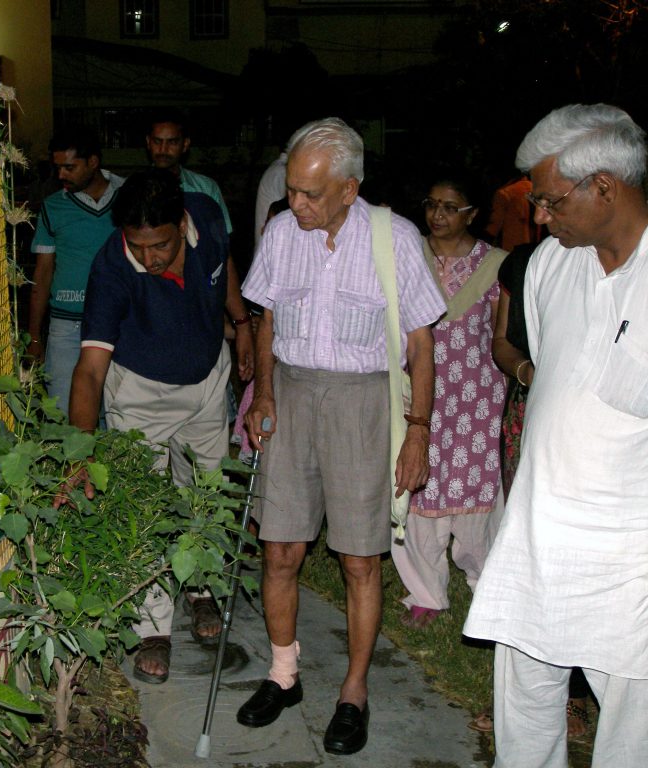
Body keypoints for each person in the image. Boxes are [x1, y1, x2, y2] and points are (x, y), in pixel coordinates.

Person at [237, 118, 446, 755]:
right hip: (292, 396)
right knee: (280, 551)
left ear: (350, 189)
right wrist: (264, 392)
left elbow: (421, 344)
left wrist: (417, 433)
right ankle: (283, 673)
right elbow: (266, 313)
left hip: (363, 405)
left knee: (359, 559)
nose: (295, 202)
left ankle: (353, 692)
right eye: (292, 189)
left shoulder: (396, 239)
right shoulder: (280, 231)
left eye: (310, 194)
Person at [464, 103, 648, 768]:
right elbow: (550, 377)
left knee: (633, 732)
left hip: (631, 557)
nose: (538, 216)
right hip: (538, 535)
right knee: (526, 715)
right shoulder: (547, 266)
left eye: (549, 200)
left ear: (605, 186)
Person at [67, 168, 254, 684]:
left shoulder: (209, 215)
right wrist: (80, 452)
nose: (149, 257)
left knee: (206, 494)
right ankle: (153, 627)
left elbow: (224, 263)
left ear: (182, 221)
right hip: (140, 394)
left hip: (207, 381)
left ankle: (201, 591)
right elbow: (88, 371)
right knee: (144, 507)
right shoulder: (111, 269)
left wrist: (241, 324)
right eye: (138, 245)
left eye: (161, 245)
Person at [391, 174, 507, 629]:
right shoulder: (408, 255)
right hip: (418, 391)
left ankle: (487, 583)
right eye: (432, 205)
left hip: (476, 396)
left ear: (472, 214)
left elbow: (501, 336)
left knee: (476, 487)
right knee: (421, 484)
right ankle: (425, 590)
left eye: (450, 207)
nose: (438, 216)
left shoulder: (495, 265)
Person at [27, 129, 124, 413]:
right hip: (65, 325)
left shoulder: (128, 197)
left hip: (116, 322)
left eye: (69, 167)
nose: (61, 175)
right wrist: (34, 337)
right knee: (61, 410)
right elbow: (43, 274)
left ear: (93, 162)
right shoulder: (53, 206)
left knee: (115, 411)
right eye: (58, 168)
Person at [146, 111, 233, 235]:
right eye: (157, 141)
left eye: (172, 142)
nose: (163, 150)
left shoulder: (206, 188)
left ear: (185, 144)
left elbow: (221, 240)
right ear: (148, 142)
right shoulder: (132, 189)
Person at [485, 175, 542, 251]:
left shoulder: (504, 194)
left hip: (511, 250)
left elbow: (492, 229)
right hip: (535, 248)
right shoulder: (534, 188)